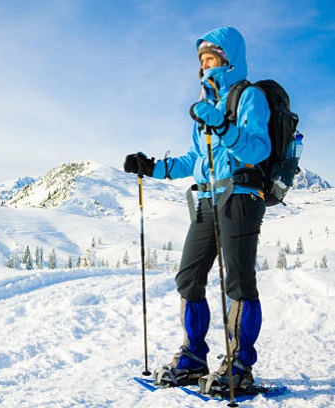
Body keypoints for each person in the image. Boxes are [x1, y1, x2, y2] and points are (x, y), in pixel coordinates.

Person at [123, 26, 270, 393]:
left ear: (228, 60)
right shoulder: (206, 104)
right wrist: (152, 167)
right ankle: (193, 358)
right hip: (206, 200)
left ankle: (240, 365)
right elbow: (194, 159)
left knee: (238, 282)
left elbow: (258, 149)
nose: (205, 65)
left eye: (211, 58)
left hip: (240, 195)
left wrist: (222, 126)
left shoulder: (249, 96)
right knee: (188, 279)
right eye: (201, 59)